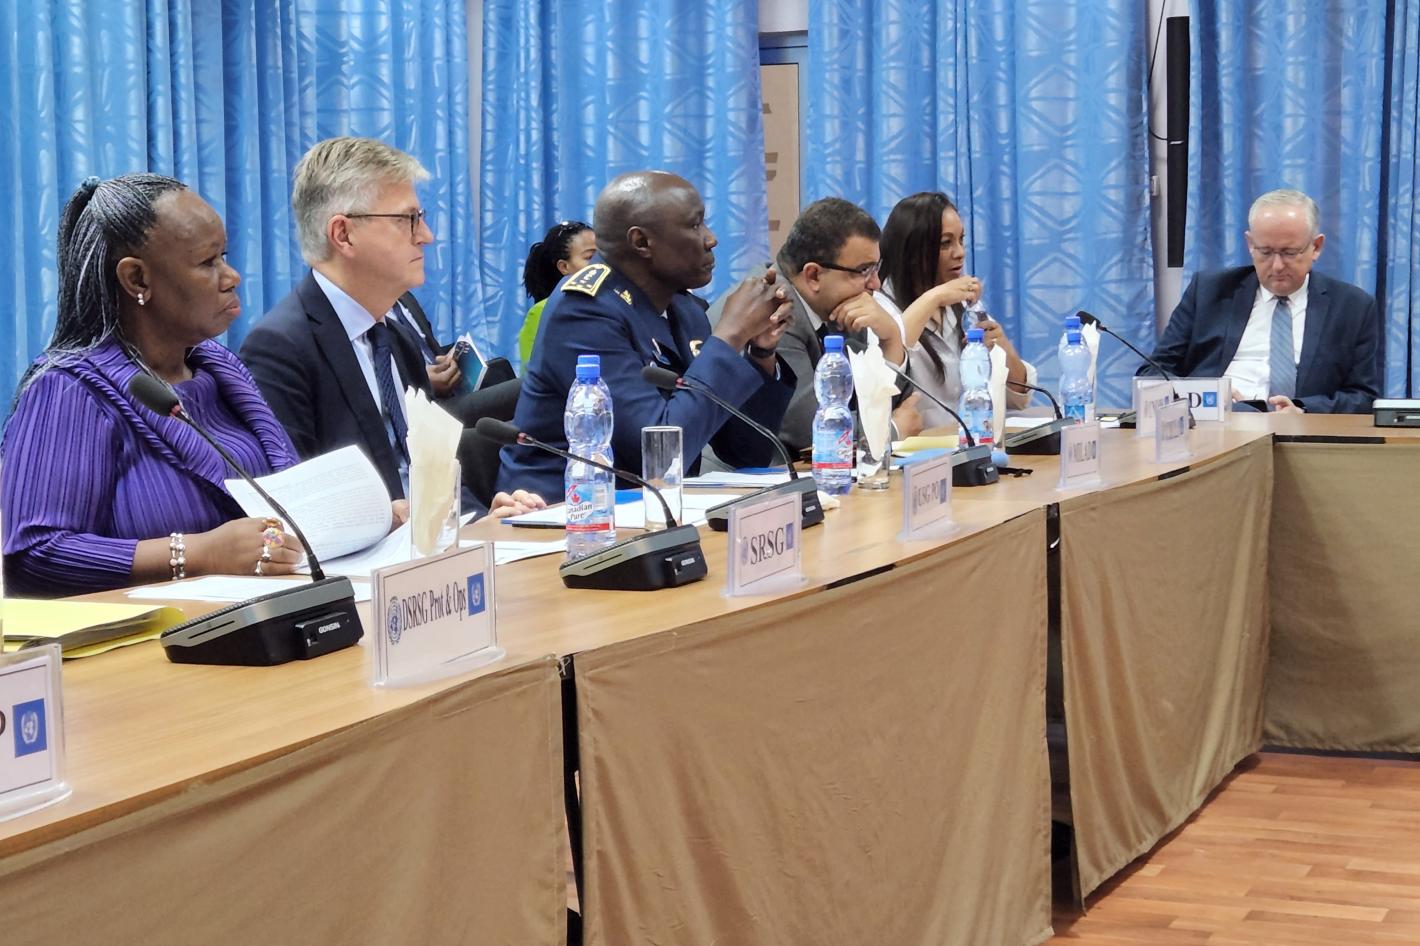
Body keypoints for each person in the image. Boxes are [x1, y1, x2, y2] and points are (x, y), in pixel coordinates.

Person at [1, 174, 310, 597]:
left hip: (268, 619)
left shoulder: (221, 372)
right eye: (208, 262)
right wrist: (196, 553)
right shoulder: (69, 391)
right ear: (137, 280)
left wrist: (367, 519)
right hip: (153, 635)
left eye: (224, 256)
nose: (232, 277)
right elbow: (33, 555)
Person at [239, 137, 543, 513]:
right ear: (343, 234)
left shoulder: (395, 339)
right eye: (407, 220)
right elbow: (296, 509)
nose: (426, 236)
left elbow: (430, 475)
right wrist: (390, 522)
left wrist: (480, 519)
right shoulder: (280, 348)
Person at [496, 171, 796, 500]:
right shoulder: (583, 311)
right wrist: (730, 335)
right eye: (695, 225)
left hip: (649, 510)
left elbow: (746, 452)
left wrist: (761, 353)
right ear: (641, 242)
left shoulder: (685, 309)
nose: (711, 239)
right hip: (561, 511)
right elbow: (656, 458)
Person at [713, 197, 920, 454]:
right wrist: (893, 430)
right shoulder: (773, 308)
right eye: (864, 271)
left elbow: (894, 403)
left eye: (876, 268)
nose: (875, 284)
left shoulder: (842, 307)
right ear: (813, 275)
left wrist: (891, 339)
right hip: (742, 474)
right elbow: (808, 429)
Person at [1146, 188, 1381, 414]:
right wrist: (1208, 395)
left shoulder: (1352, 307)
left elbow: (1363, 396)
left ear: (1316, 247)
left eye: (1289, 253)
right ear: (1250, 244)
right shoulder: (1209, 291)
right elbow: (1153, 373)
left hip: (1300, 431)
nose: (1277, 266)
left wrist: (1303, 409)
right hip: (1217, 426)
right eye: (1265, 252)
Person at [876, 192, 1036, 428]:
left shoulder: (961, 305)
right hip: (919, 449)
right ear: (912, 251)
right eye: (945, 243)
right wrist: (935, 297)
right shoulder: (881, 306)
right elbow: (890, 358)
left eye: (961, 240)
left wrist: (1003, 346)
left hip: (970, 443)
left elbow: (1018, 397)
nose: (960, 252)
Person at [516, 220, 597, 366]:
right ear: (564, 267)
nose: (600, 264)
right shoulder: (543, 311)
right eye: (590, 257)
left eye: (602, 256)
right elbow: (533, 373)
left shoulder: (615, 301)